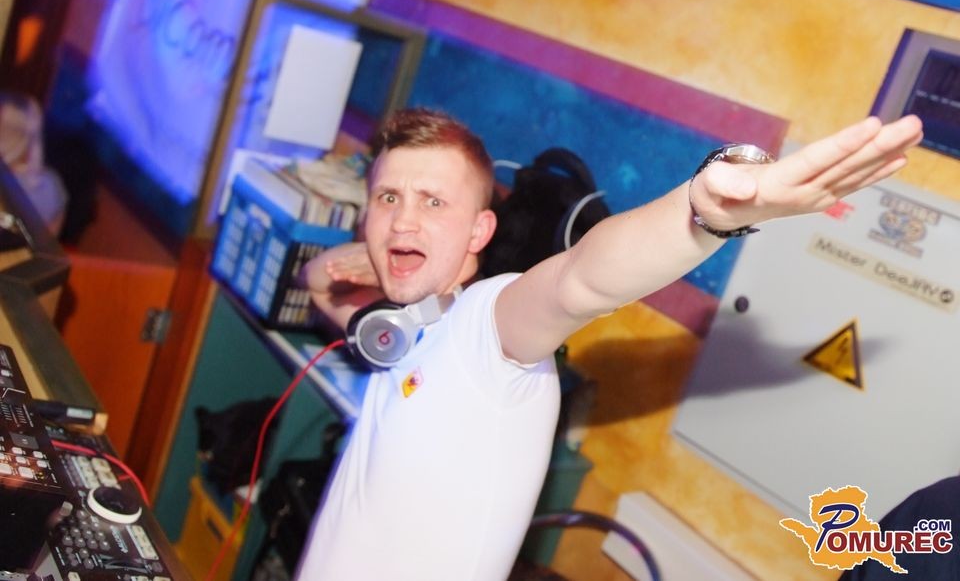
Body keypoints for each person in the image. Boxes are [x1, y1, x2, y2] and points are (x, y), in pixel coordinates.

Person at [296, 108, 923, 580]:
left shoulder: (485, 327)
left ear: (480, 231)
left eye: (433, 201)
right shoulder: (401, 329)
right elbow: (317, 284)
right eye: (388, 198)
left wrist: (705, 213)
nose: (404, 219)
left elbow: (581, 280)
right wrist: (372, 255)